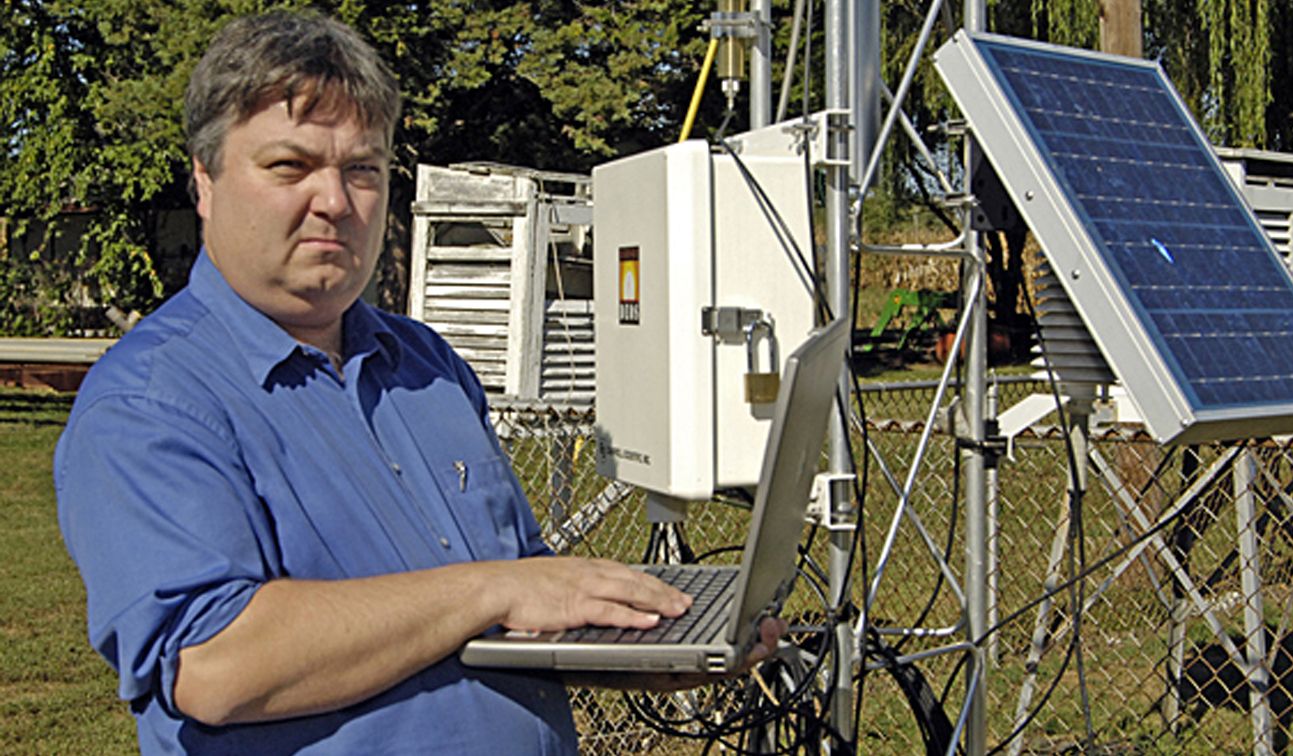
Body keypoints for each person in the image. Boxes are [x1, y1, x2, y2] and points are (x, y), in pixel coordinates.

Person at [55, 11, 780, 755]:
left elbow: (520, 605)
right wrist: (490, 590)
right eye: (289, 167)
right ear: (204, 182)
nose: (335, 201)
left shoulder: (427, 366)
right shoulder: (152, 401)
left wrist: (642, 646)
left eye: (362, 169)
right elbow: (215, 665)